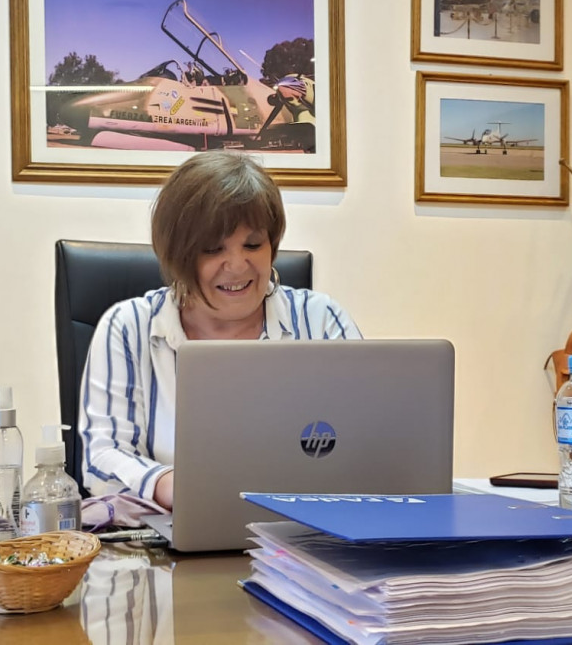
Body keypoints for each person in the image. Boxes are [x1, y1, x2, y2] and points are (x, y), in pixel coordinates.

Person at [78, 152, 361, 510]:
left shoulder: (321, 320)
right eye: (213, 249)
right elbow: (102, 459)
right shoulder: (128, 326)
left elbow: (367, 442)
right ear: (178, 255)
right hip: (175, 540)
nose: (238, 265)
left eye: (253, 245)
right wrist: (176, 487)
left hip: (305, 534)